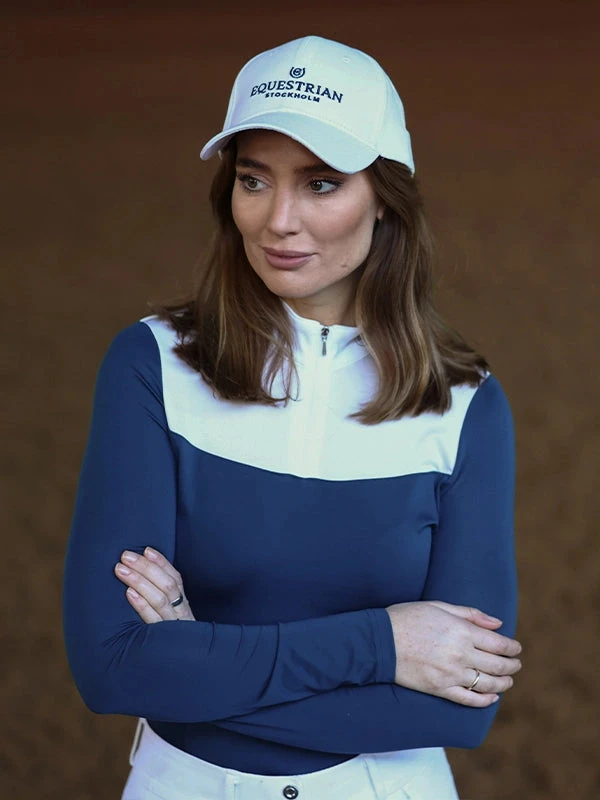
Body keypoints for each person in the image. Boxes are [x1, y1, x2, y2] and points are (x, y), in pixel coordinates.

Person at [63, 35, 522, 800]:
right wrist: (384, 643)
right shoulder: (152, 365)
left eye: (321, 184)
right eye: (254, 179)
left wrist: (197, 660)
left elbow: (461, 711)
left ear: (385, 195)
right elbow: (111, 669)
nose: (278, 220)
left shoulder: (464, 403)